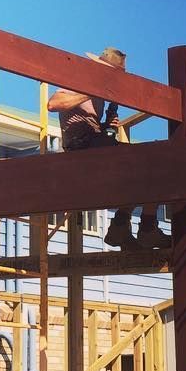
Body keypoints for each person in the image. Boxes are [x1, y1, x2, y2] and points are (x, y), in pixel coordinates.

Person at [47, 47, 168, 250]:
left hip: (93, 143)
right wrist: (91, 91)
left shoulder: (102, 95)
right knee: (143, 158)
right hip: (79, 146)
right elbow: (53, 104)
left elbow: (91, 124)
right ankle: (138, 228)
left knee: (148, 165)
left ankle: (124, 227)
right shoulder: (80, 81)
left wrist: (107, 126)